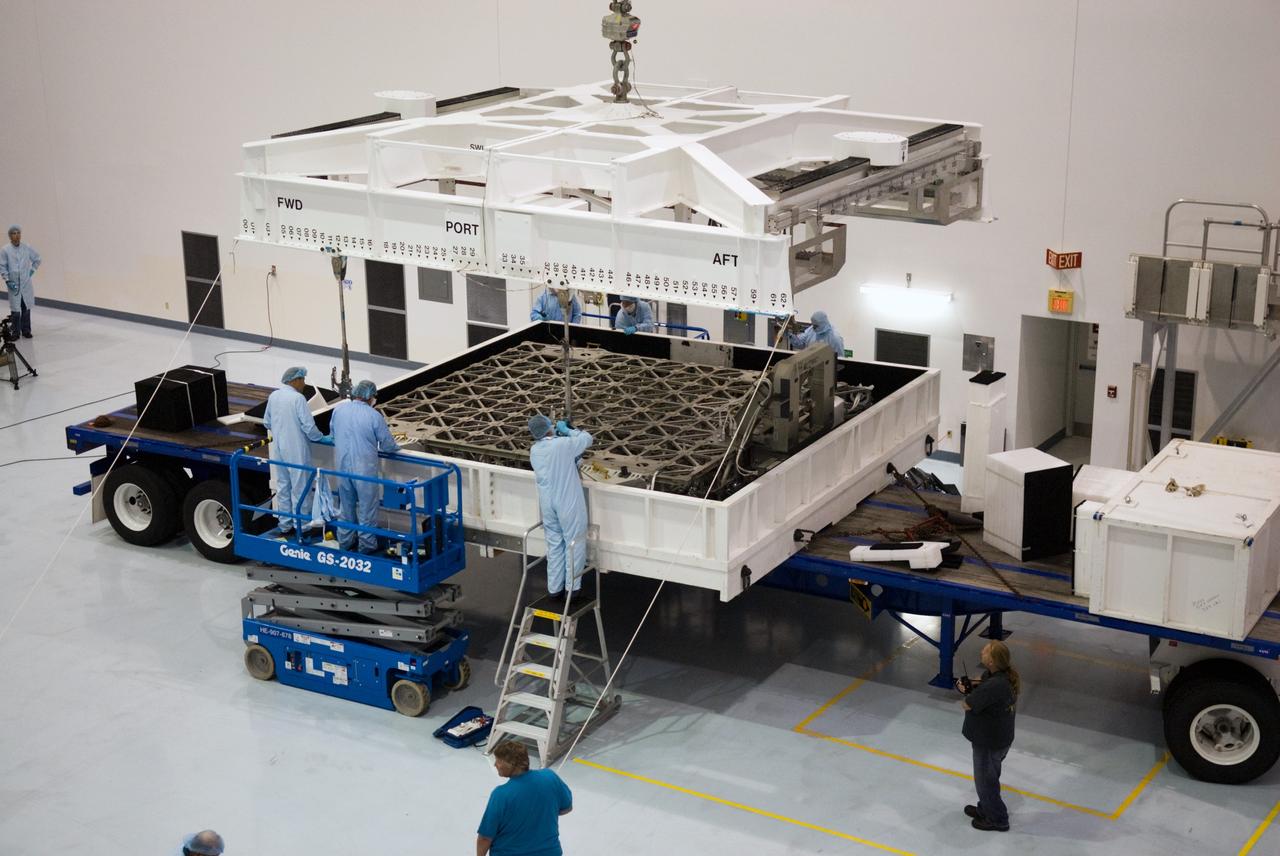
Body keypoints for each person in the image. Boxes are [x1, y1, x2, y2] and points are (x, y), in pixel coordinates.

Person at [956, 640, 1020, 832]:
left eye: (985, 652)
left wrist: (963, 691)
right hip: (998, 738)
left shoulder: (995, 685)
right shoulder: (1000, 678)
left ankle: (998, 819)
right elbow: (983, 687)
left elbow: (967, 704)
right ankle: (985, 808)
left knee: (985, 781)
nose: (981, 652)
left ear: (992, 661)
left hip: (989, 741)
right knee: (990, 776)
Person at [330, 379, 399, 553]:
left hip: (343, 468)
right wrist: (398, 446)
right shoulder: (373, 416)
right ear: (370, 397)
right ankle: (366, 547)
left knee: (346, 508)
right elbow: (387, 445)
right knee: (367, 510)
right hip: (364, 470)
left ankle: (345, 544)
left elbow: (333, 434)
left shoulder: (339, 410)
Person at [528, 414, 593, 596]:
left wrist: (558, 437)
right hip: (567, 502)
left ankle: (554, 589)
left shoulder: (535, 450)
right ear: (549, 427)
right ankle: (572, 589)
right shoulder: (562, 445)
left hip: (547, 505)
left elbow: (556, 461)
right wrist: (568, 430)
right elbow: (587, 439)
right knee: (574, 542)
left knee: (555, 545)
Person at [477, 740, 572, 856]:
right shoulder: (550, 776)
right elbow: (567, 808)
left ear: (510, 764)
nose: (495, 764)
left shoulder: (501, 795)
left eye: (498, 760)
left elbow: (485, 838)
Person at [263, 366, 325, 535]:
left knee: (283, 486)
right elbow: (308, 426)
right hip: (296, 450)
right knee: (301, 487)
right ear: (295, 380)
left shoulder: (274, 396)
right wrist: (321, 437)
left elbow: (266, 422)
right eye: (303, 379)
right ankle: (303, 526)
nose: (304, 383)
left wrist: (281, 427)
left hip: (279, 450)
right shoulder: (298, 399)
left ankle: (285, 524)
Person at [0, 225, 42, 339]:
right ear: (10, 236)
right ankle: (15, 332)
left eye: (18, 233)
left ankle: (26, 330)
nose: (17, 235)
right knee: (15, 310)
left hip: (26, 284)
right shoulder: (5, 250)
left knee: (26, 308)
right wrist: (8, 280)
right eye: (14, 233)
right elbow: (2, 266)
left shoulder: (26, 247)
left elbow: (38, 259)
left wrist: (31, 271)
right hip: (13, 284)